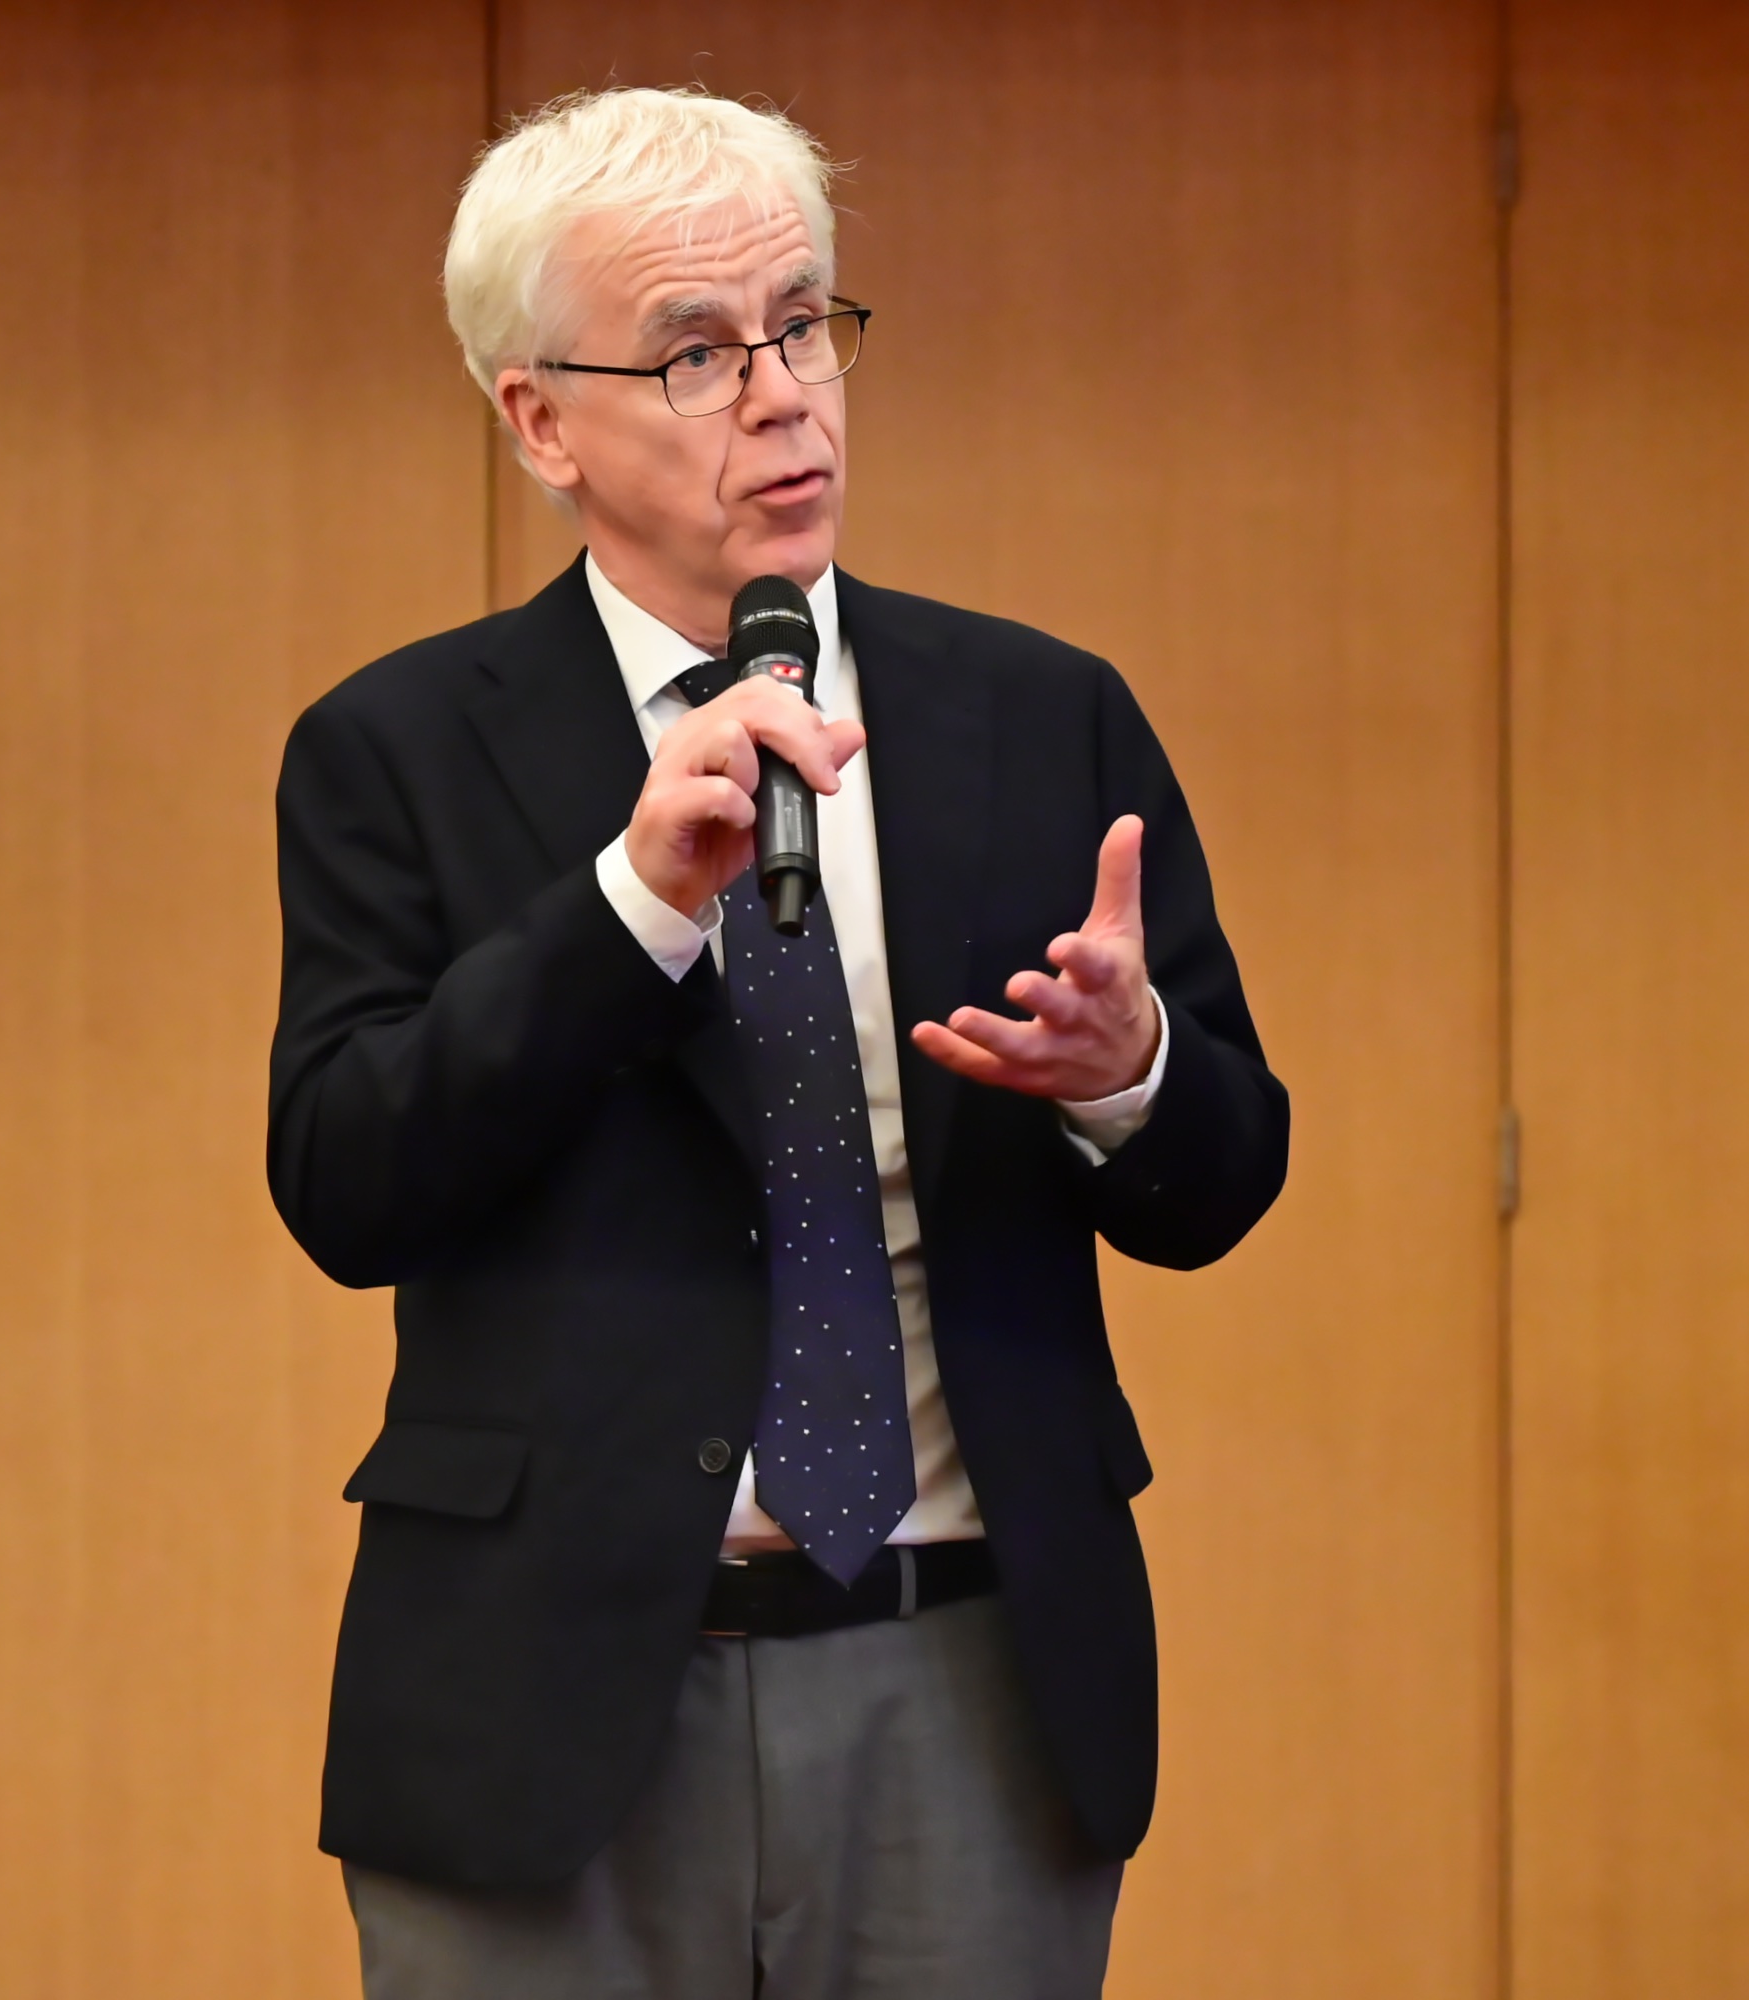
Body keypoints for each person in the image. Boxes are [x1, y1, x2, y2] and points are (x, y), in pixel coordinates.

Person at [267, 85, 1287, 2000]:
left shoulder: (1041, 714)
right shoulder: (394, 749)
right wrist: (634, 905)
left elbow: (1225, 1175)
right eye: (694, 354)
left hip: (970, 1672)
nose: (783, 398)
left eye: (804, 324)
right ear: (539, 421)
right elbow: (346, 1178)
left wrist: (1128, 1071)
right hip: (546, 1697)